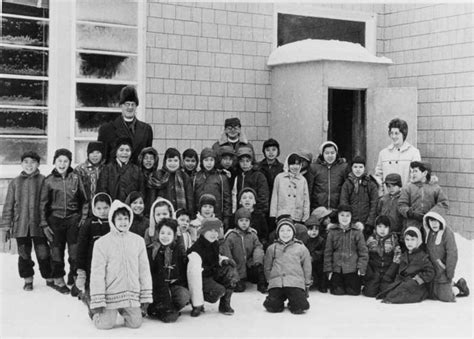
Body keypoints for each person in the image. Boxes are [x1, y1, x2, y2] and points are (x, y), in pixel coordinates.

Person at [88, 200, 152, 329]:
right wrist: (98, 299)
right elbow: (97, 273)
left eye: (126, 218)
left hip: (130, 294)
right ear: (112, 220)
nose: (123, 222)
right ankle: (94, 312)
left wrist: (145, 295)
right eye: (119, 219)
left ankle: (124, 310)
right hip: (110, 294)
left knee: (135, 324)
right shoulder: (102, 243)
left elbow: (144, 270)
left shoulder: (138, 241)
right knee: (104, 325)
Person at [1, 151, 53, 291]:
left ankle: (49, 277)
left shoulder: (44, 180)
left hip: (39, 225)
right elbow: (8, 205)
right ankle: (28, 279)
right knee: (24, 254)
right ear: (21, 164)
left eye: (33, 162)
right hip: (21, 225)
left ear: (38, 164)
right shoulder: (15, 182)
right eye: (26, 162)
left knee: (43, 252)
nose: (29, 165)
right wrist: (5, 226)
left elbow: (47, 203)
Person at [39, 148, 88, 294]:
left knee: (74, 251)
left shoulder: (76, 178)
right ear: (54, 162)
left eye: (65, 161)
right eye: (59, 160)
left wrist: (83, 217)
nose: (62, 164)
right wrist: (44, 224)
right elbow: (42, 204)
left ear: (69, 163)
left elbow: (84, 200)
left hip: (73, 219)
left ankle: (73, 277)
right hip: (55, 220)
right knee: (56, 251)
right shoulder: (48, 180)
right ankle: (58, 278)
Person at [186, 218, 239, 317]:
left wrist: (223, 260)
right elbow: (194, 278)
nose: (213, 233)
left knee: (230, 271)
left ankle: (225, 304)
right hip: (201, 279)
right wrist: (197, 304)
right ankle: (196, 302)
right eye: (210, 230)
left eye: (216, 231)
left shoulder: (214, 243)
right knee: (218, 291)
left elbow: (215, 257)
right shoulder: (196, 250)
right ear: (203, 231)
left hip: (211, 273)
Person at [263, 218, 311, 314]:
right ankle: (276, 300)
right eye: (282, 230)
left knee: (300, 307)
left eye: (288, 230)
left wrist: (306, 283)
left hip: (295, 282)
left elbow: (307, 267)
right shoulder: (272, 248)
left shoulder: (301, 248)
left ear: (293, 232)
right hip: (277, 282)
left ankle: (294, 301)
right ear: (278, 232)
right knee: (272, 307)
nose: (285, 233)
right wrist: (270, 280)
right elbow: (267, 266)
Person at [146, 218, 190, 323]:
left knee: (184, 295)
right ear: (158, 233)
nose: (165, 236)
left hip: (172, 286)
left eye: (169, 233)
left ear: (174, 235)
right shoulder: (152, 250)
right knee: (169, 316)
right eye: (162, 233)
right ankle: (159, 308)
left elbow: (181, 271)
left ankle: (169, 308)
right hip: (156, 288)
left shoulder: (177, 250)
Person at [376, 227, 435, 304]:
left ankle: (392, 299)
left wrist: (416, 280)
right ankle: (391, 296)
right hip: (403, 282)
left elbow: (430, 272)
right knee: (388, 290)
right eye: (407, 239)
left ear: (418, 241)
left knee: (400, 294)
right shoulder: (404, 254)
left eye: (412, 240)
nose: (409, 243)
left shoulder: (422, 256)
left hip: (416, 286)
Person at [98, 85, 153, 164]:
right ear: (121, 106)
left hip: (138, 174)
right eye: (127, 104)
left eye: (133, 104)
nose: (130, 107)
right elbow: (102, 160)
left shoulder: (146, 129)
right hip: (115, 174)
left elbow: (148, 158)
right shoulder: (107, 129)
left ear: (136, 106)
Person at [422, 209, 470, 301]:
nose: (434, 224)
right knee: (431, 295)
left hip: (443, 271)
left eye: (436, 221)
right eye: (431, 221)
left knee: (446, 297)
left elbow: (452, 254)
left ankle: (460, 287)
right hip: (432, 271)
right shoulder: (429, 233)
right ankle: (450, 284)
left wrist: (449, 273)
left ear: (441, 220)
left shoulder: (447, 233)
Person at [324, 205, 368, 296]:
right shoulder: (332, 232)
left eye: (347, 215)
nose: (345, 218)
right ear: (338, 216)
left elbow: (363, 252)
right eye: (342, 215)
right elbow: (328, 252)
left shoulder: (357, 232)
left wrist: (361, 268)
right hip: (337, 269)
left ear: (351, 217)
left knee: (353, 292)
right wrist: (329, 270)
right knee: (337, 291)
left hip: (352, 269)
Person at [75, 193, 112, 301]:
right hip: (91, 265)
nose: (102, 211)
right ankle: (85, 293)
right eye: (99, 208)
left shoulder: (114, 223)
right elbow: (81, 250)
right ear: (93, 208)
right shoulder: (88, 224)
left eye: (106, 207)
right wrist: (81, 271)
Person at [221, 207, 266, 293]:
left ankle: (261, 283)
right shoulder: (231, 236)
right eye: (241, 221)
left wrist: (257, 260)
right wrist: (233, 270)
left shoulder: (252, 234)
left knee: (259, 271)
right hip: (237, 267)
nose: (244, 223)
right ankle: (235, 280)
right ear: (236, 222)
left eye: (246, 221)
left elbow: (258, 246)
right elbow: (227, 253)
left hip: (249, 265)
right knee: (240, 288)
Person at [374, 118, 421, 194]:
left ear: (403, 134)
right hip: (388, 200)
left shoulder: (414, 153)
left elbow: (415, 177)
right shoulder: (383, 153)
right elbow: (379, 177)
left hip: (405, 199)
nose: (393, 136)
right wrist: (382, 196)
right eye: (391, 133)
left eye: (396, 133)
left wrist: (405, 195)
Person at [398, 161, 449, 231]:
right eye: (411, 171)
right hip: (412, 225)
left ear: (424, 173)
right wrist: (410, 213)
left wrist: (431, 214)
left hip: (430, 226)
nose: (412, 174)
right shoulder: (408, 188)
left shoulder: (435, 188)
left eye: (415, 171)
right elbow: (401, 204)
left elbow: (444, 204)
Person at [340, 156, 379, 238]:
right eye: (355, 167)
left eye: (360, 167)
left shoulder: (370, 184)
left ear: (364, 168)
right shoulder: (347, 184)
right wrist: (348, 221)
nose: (358, 169)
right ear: (351, 168)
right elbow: (344, 202)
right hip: (351, 223)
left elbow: (374, 203)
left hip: (366, 223)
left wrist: (369, 223)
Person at [97, 137, 145, 202]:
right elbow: (102, 191)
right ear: (116, 151)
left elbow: (141, 192)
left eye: (127, 150)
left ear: (131, 152)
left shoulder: (137, 170)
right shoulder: (107, 169)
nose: (124, 153)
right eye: (121, 150)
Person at [192, 148, 231, 227]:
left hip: (216, 216)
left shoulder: (221, 177)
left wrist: (226, 216)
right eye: (206, 160)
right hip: (200, 217)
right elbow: (192, 197)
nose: (209, 163)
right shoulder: (196, 177)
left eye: (211, 160)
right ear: (202, 161)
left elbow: (227, 198)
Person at [363, 216, 400, 297]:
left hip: (387, 271)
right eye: (380, 227)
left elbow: (398, 255)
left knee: (385, 293)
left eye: (385, 227)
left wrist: (390, 272)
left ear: (389, 228)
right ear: (375, 227)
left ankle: (384, 284)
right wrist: (369, 272)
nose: (382, 230)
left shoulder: (393, 239)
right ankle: (372, 284)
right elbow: (364, 255)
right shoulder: (371, 240)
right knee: (369, 293)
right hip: (375, 271)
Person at [149, 148, 193, 213]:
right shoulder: (158, 175)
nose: (173, 163)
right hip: (162, 213)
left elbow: (189, 198)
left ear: (179, 161)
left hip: (180, 214)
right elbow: (152, 197)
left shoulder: (184, 177)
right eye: (170, 160)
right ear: (165, 161)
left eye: (175, 160)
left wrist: (190, 214)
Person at [270, 152, 310, 224]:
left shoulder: (302, 180)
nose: (295, 167)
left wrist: (305, 217)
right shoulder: (279, 178)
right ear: (288, 165)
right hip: (282, 215)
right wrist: (273, 215)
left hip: (297, 216)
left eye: (297, 164)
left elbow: (306, 200)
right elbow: (274, 197)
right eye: (292, 164)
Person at [311, 141, 348, 211]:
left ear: (336, 153)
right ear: (322, 154)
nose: (330, 156)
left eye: (332, 153)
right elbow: (310, 190)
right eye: (327, 153)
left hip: (337, 210)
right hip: (318, 210)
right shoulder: (314, 168)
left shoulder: (343, 167)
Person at [234, 146, 269, 216]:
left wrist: (257, 212)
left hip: (255, 213)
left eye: (247, 161)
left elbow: (263, 196)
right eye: (242, 161)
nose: (245, 164)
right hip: (241, 214)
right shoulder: (237, 176)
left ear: (252, 162)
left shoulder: (258, 176)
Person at [304, 214, 328, 293]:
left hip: (317, 262)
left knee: (321, 270)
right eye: (311, 229)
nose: (314, 231)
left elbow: (323, 251)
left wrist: (314, 256)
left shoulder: (321, 240)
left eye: (316, 229)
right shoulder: (304, 240)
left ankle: (322, 285)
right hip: (306, 262)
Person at [376, 173, 404, 237]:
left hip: (397, 233)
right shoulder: (383, 199)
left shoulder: (403, 199)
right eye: (388, 186)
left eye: (393, 186)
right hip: (383, 232)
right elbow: (378, 214)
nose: (391, 189)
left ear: (399, 185)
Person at [257, 138, 284, 204]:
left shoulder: (282, 168)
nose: (271, 152)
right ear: (264, 151)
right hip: (261, 200)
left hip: (276, 200)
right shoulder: (258, 167)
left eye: (274, 150)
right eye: (268, 150)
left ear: (278, 151)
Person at [138, 146, 159, 215]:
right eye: (146, 158)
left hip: (153, 211)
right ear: (141, 160)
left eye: (151, 158)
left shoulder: (157, 176)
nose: (148, 161)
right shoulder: (137, 175)